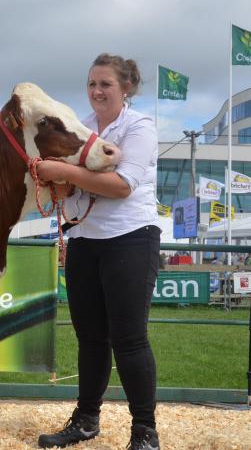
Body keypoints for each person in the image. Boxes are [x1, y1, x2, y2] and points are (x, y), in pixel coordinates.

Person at [35, 53, 161, 450]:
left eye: (105, 83)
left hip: (131, 237)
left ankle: (145, 431)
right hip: (85, 240)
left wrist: (63, 173)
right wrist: (60, 182)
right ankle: (86, 420)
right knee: (90, 338)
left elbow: (123, 185)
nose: (96, 91)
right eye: (92, 83)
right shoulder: (83, 128)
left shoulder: (140, 127)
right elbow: (65, 186)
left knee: (129, 338)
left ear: (126, 88)